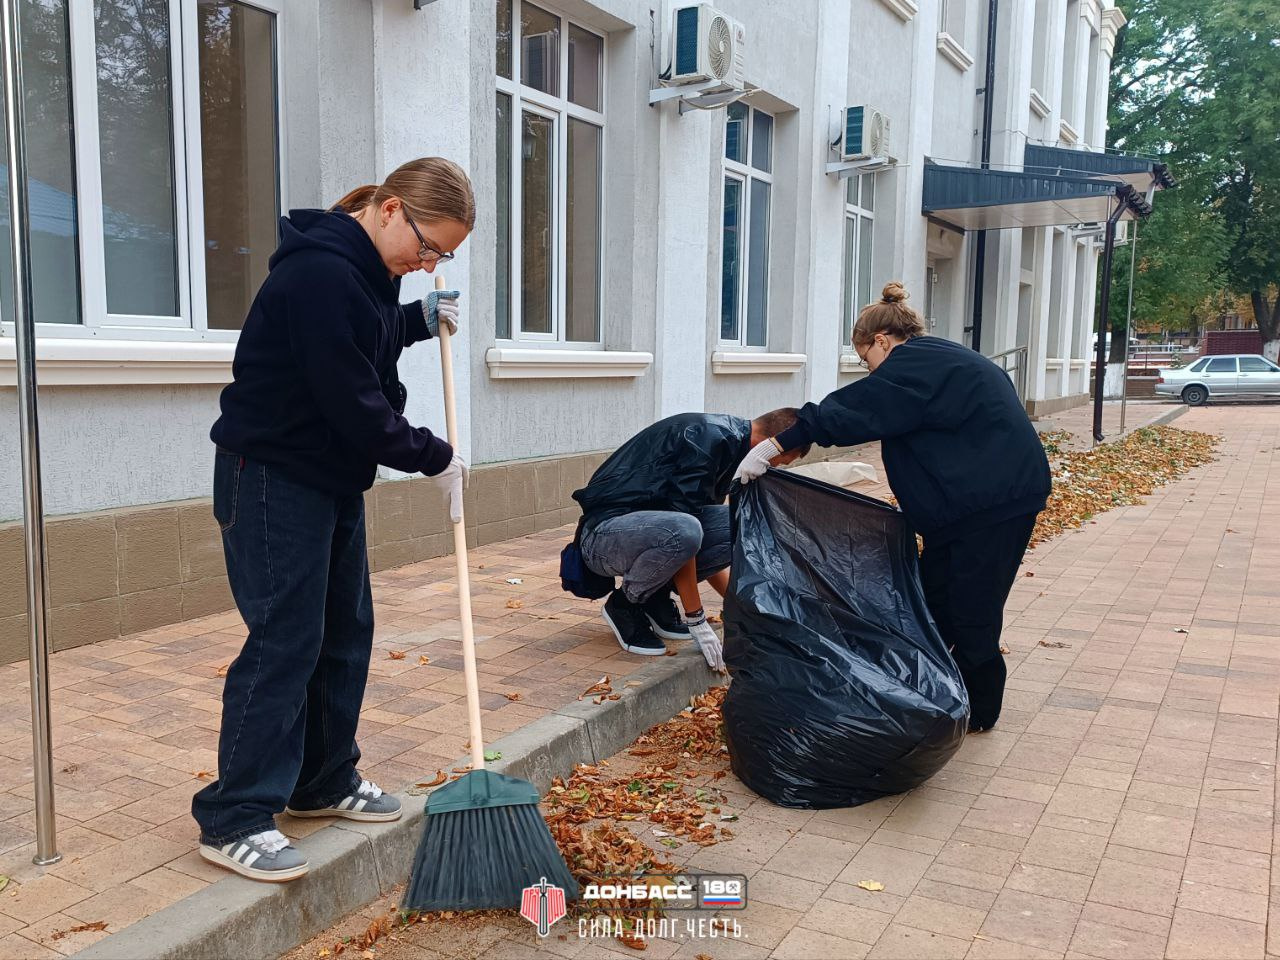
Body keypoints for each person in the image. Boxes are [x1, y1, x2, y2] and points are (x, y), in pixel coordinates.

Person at [192, 158, 475, 882]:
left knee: (344, 630)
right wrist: (432, 454)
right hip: (272, 479)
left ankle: (321, 780)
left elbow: (363, 338)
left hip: (326, 478)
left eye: (443, 256)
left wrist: (410, 321)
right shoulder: (320, 273)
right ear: (388, 209)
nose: (429, 262)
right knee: (286, 639)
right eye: (429, 245)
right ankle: (234, 815)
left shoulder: (368, 271)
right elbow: (350, 397)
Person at [734, 282, 1050, 733]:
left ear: (881, 341)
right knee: (933, 598)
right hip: (975, 505)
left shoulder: (914, 364)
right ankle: (938, 692)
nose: (869, 372)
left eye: (865, 360)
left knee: (971, 606)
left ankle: (980, 712)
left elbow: (856, 409)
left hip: (990, 505)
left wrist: (780, 442)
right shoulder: (941, 358)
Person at [573, 410, 810, 668]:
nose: (773, 467)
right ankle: (625, 605)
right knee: (685, 529)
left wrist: (741, 606)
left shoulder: (730, 446)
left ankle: (655, 598)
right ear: (771, 444)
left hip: (651, 532)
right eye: (780, 460)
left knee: (742, 521)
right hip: (603, 535)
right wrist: (696, 617)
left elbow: (701, 540)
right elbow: (685, 535)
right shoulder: (706, 441)